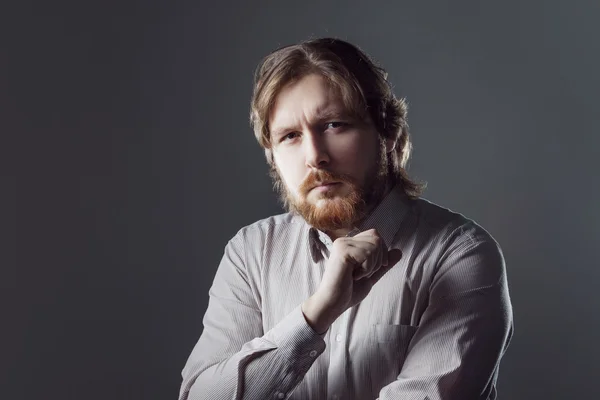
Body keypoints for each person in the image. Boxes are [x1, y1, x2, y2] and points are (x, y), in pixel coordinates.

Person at [179, 38, 513, 400]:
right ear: (271, 156)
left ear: (388, 134)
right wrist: (317, 314)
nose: (315, 157)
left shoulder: (461, 255)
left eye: (335, 125)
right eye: (290, 136)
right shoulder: (251, 252)